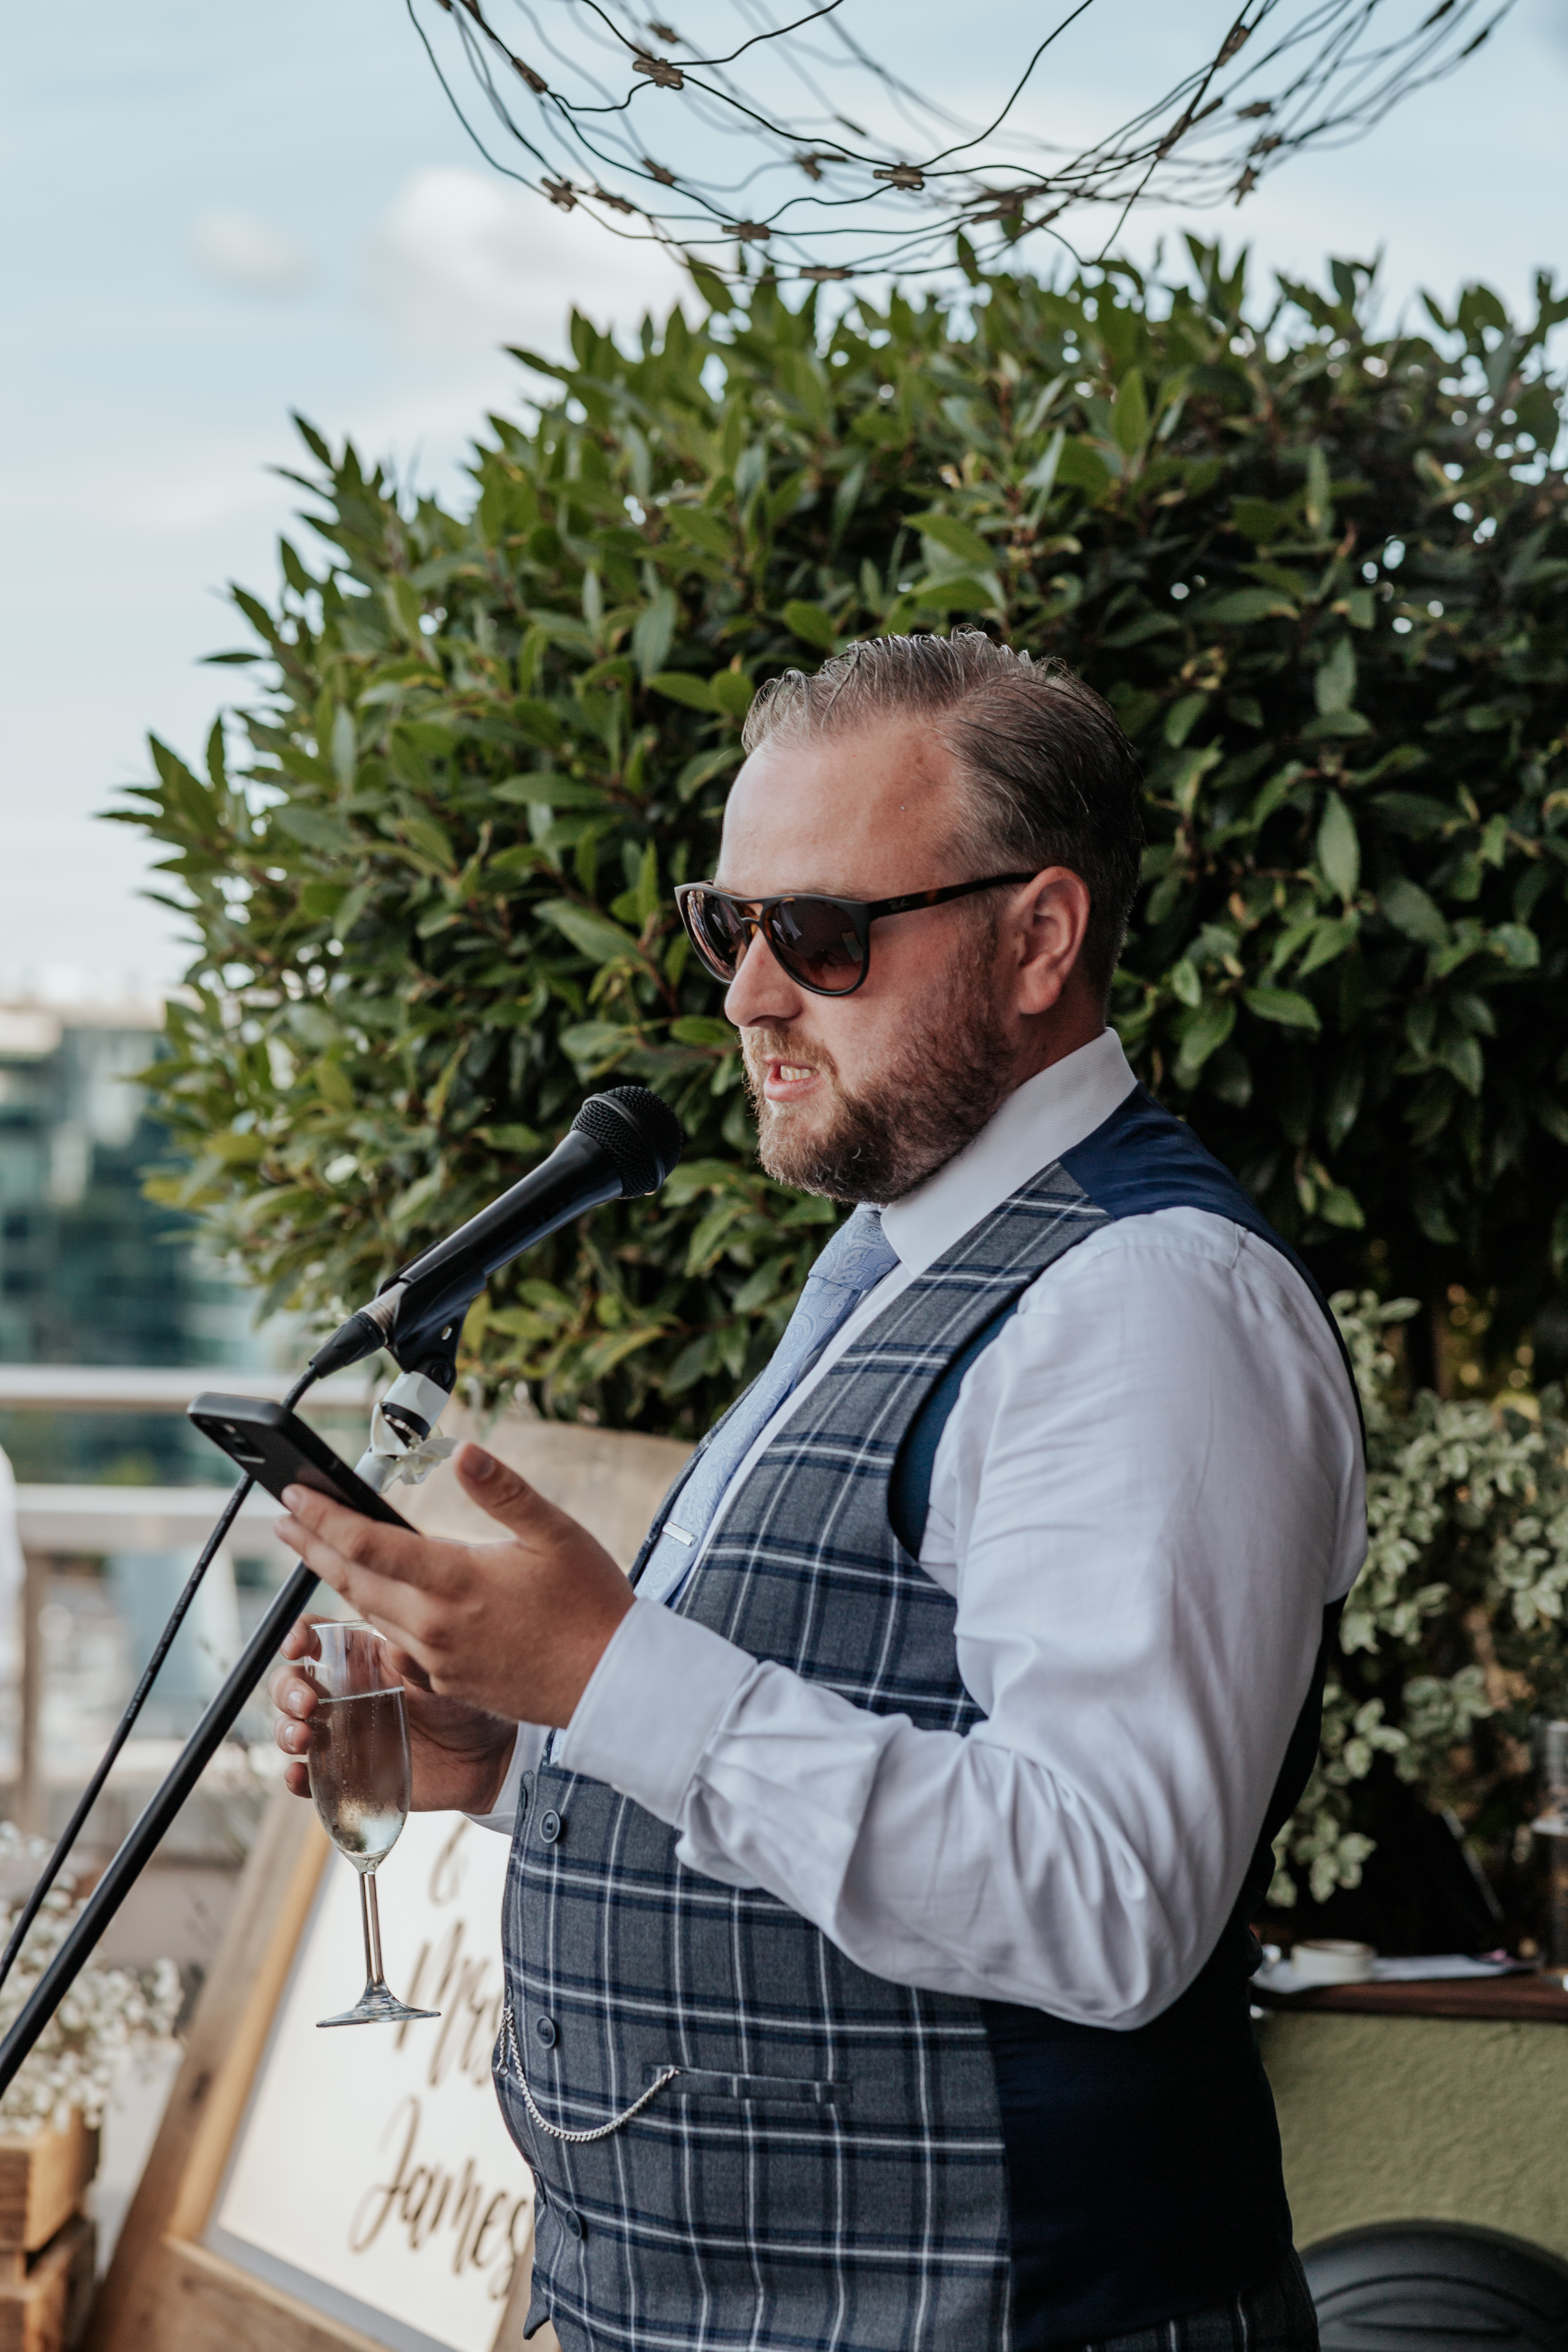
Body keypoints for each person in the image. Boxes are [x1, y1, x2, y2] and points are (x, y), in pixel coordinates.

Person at [271, 632, 1363, 2352]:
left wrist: (610, 1673)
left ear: (1041, 939)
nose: (749, 997)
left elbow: (1110, 1897)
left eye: (823, 934)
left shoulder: (1148, 1303)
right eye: (732, 926)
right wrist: (518, 1757)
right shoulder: (895, 1252)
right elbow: (839, 1726)